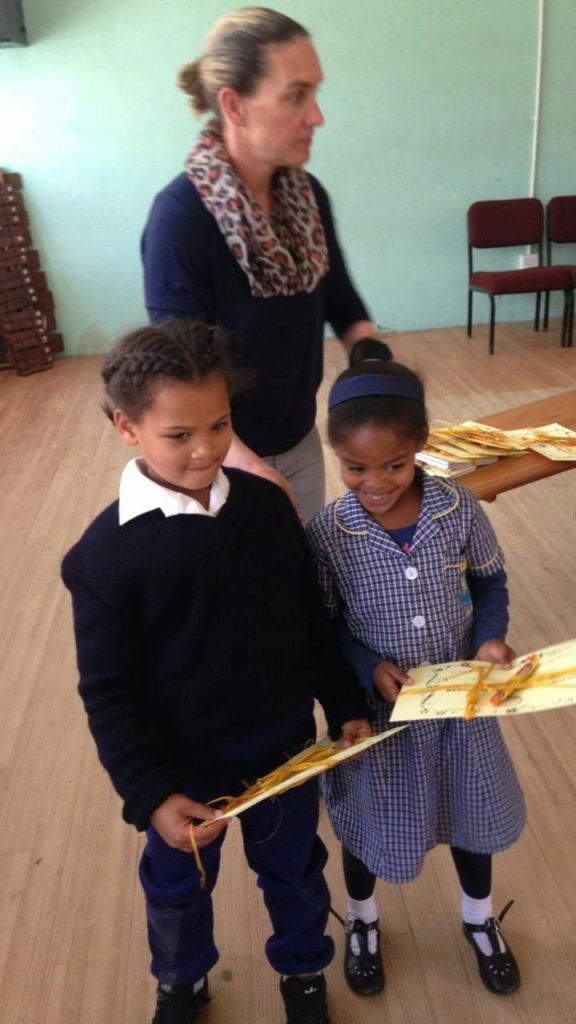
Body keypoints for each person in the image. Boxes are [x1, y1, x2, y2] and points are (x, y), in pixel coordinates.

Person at [60, 320, 372, 1024]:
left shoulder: (266, 509)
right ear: (126, 427)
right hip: (183, 770)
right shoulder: (103, 559)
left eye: (220, 425)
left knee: (296, 873)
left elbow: (310, 617)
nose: (205, 449)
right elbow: (108, 693)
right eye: (178, 435)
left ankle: (303, 973)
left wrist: (344, 702)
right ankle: (182, 982)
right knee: (177, 890)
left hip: (284, 749)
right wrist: (150, 793)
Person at [306, 339, 526, 1000]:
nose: (376, 483)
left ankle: (479, 918)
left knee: (471, 814)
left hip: (460, 707)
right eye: (354, 468)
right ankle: (363, 920)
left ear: (422, 445)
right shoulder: (329, 534)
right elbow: (325, 625)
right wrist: (367, 663)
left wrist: (489, 639)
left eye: (395, 465)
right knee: (369, 824)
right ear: (335, 454)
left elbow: (490, 583)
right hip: (379, 721)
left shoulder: (460, 509)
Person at [142, 7, 380, 523]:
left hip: (299, 439)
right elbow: (179, 377)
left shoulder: (307, 196)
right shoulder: (180, 219)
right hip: (217, 460)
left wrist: (380, 373)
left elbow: (339, 298)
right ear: (235, 105)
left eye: (315, 93)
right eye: (296, 96)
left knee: (302, 566)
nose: (317, 116)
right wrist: (251, 469)